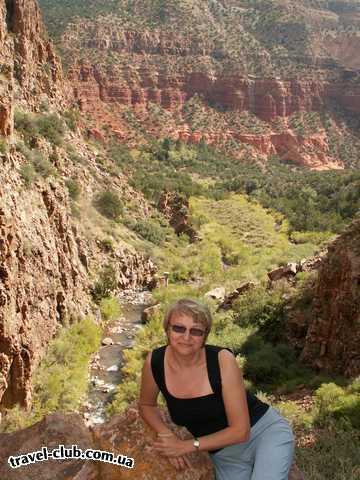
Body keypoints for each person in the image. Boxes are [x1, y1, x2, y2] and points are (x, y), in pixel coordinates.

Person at [139, 298, 294, 479]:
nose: (186, 337)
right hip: (224, 456)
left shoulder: (222, 360)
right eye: (179, 328)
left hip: (263, 433)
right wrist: (166, 435)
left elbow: (240, 431)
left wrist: (185, 447)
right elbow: (146, 405)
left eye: (196, 331)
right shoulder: (155, 362)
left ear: (205, 336)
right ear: (167, 329)